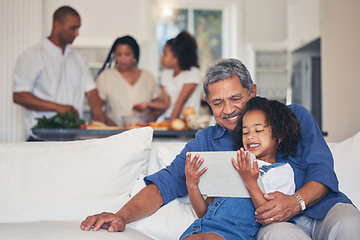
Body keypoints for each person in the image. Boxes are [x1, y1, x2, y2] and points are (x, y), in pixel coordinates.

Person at [80, 58, 360, 239]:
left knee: (350, 222)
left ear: (252, 91)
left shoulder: (294, 116)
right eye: (217, 103)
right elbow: (165, 184)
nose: (228, 111)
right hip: (271, 224)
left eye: (236, 98)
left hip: (319, 208)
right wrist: (121, 216)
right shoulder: (205, 142)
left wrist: (295, 202)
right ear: (207, 103)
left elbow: (321, 171)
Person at [181, 96, 301, 239]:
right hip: (199, 229)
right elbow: (205, 213)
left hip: (234, 234)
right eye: (245, 132)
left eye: (258, 130)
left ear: (279, 135)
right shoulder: (231, 164)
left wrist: (250, 182)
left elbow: (270, 215)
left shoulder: (280, 172)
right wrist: (192, 185)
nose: (250, 136)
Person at [13, 6, 106, 141]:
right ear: (57, 25)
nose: (77, 33)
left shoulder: (78, 58)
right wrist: (58, 107)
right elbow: (19, 95)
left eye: (78, 28)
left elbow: (91, 91)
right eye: (73, 28)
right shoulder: (32, 56)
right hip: (40, 138)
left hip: (73, 138)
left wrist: (97, 111)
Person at [133, 31, 202, 127]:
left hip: (185, 123)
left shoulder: (193, 73)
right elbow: (166, 104)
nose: (162, 57)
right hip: (168, 119)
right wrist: (147, 105)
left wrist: (170, 127)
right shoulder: (166, 73)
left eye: (165, 54)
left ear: (176, 58)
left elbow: (179, 104)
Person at [96, 36, 162, 126]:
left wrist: (152, 116)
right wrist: (111, 124)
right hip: (113, 131)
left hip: (141, 130)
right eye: (119, 55)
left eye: (127, 54)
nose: (123, 59)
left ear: (135, 55)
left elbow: (159, 105)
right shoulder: (105, 76)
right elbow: (96, 108)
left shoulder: (148, 76)